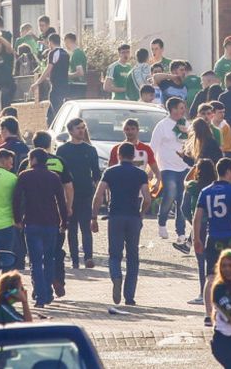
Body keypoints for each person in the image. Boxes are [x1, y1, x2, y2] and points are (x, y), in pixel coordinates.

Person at [93, 140, 151, 306]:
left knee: (115, 254)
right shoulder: (140, 174)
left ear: (118, 155)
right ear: (133, 156)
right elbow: (147, 198)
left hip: (115, 216)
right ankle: (129, 296)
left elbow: (98, 195)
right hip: (133, 217)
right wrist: (141, 214)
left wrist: (94, 217)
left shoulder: (110, 172)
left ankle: (116, 277)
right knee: (133, 256)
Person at [14, 148, 69, 308]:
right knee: (49, 259)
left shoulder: (24, 176)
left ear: (33, 159)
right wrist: (64, 222)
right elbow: (61, 201)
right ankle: (47, 293)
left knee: (35, 261)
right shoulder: (54, 177)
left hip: (31, 222)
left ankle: (40, 296)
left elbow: (17, 199)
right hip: (51, 223)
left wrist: (17, 219)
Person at [194, 158, 231, 289]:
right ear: (228, 171)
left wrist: (196, 239)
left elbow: (197, 218)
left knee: (211, 277)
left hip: (213, 238)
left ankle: (207, 302)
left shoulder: (205, 191)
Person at [56, 117, 102, 269]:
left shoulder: (90, 150)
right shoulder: (62, 150)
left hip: (86, 193)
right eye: (78, 128)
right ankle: (75, 260)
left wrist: (100, 192)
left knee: (86, 227)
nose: (82, 131)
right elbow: (59, 174)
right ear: (70, 131)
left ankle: (88, 257)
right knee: (72, 228)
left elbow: (96, 174)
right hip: (68, 195)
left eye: (83, 128)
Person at [151, 97, 191, 241]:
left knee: (182, 199)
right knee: (171, 193)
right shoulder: (162, 125)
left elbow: (192, 144)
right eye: (181, 108)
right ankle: (162, 221)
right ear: (173, 109)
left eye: (183, 108)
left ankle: (181, 231)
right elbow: (153, 147)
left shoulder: (186, 124)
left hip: (184, 167)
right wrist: (152, 169)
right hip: (166, 167)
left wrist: (187, 132)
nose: (183, 110)